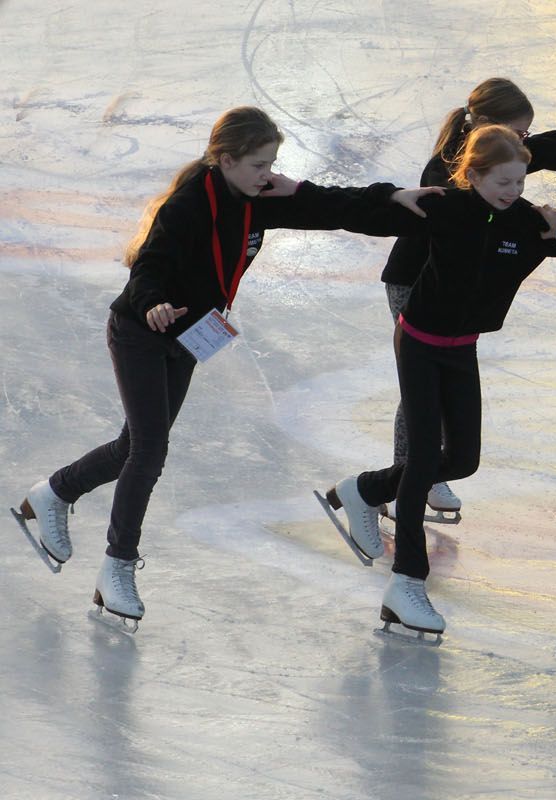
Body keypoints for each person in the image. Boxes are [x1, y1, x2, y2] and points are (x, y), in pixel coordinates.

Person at [15, 106, 435, 625]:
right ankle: (116, 568)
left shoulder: (253, 198)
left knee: (133, 446)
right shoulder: (188, 206)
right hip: (142, 332)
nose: (269, 174)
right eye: (260, 165)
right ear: (227, 159)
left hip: (190, 337)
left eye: (272, 163)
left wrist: (393, 198)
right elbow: (148, 265)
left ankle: (52, 493)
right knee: (148, 451)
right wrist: (151, 302)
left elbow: (329, 206)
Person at [321, 126, 556, 638]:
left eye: (520, 181)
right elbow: (359, 213)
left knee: (464, 459)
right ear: (472, 174)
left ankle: (363, 489)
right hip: (417, 341)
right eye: (502, 181)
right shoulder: (444, 207)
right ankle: (407, 581)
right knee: (421, 464)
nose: (513, 191)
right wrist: (387, 196)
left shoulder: (528, 224)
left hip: (462, 349)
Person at [379, 77, 556, 520]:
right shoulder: (450, 169)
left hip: (454, 290)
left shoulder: (494, 161)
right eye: (517, 134)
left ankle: (420, 471)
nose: (523, 143)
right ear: (486, 127)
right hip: (416, 282)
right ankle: (411, 473)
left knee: (432, 387)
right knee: (421, 389)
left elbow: (547, 150)